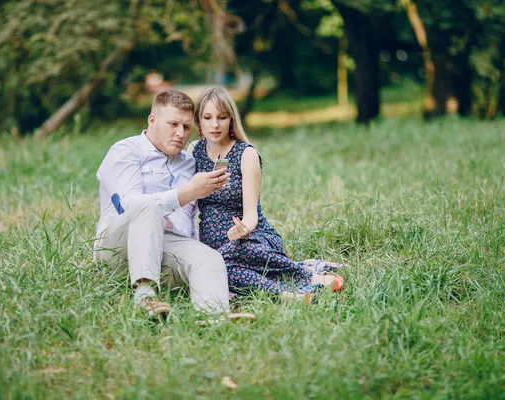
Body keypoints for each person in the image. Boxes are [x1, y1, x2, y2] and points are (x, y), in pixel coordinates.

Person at [94, 89, 254, 322]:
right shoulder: (126, 151)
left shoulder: (188, 162)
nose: (180, 134)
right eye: (173, 124)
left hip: (163, 251)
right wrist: (186, 193)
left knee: (208, 257)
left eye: (186, 127)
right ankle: (144, 296)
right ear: (153, 120)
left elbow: (187, 223)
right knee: (149, 209)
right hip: (118, 250)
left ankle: (214, 314)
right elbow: (129, 205)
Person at [190, 86, 344, 302]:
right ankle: (290, 292)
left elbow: (252, 214)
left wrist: (242, 231)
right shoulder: (194, 152)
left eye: (222, 117)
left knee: (229, 257)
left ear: (231, 120)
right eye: (208, 117)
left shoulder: (246, 154)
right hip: (212, 244)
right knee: (222, 267)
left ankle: (307, 277)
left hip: (252, 238)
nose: (214, 124)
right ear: (198, 121)